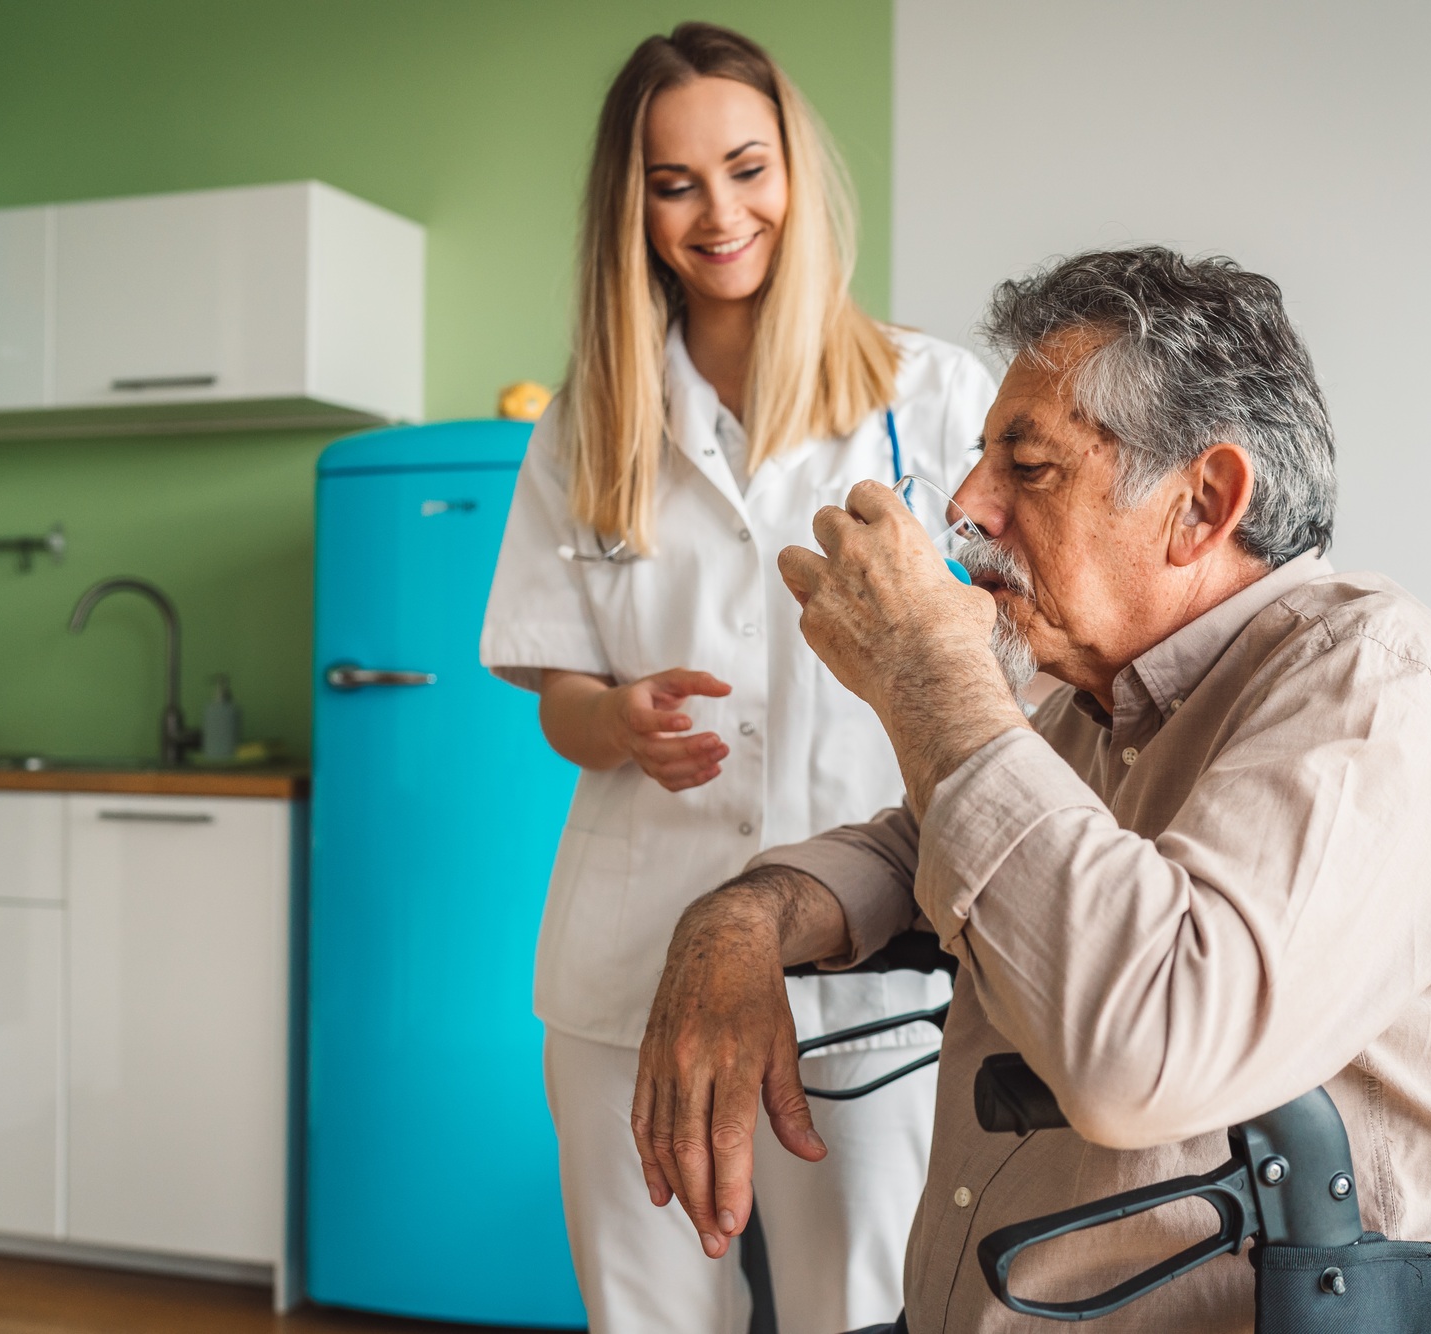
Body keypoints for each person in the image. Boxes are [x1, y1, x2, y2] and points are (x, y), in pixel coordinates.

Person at [633, 247, 1431, 1331]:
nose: (968, 506)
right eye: (980, 462)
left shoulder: (1374, 684)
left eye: (1027, 468)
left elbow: (1146, 1050)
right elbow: (913, 847)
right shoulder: (1098, 703)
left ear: (1201, 503)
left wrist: (932, 678)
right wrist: (736, 920)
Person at [478, 22, 997, 1334]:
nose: (719, 213)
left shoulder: (930, 396)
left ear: (796, 174)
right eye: (675, 183)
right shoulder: (588, 421)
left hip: (868, 965)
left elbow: (1025, 656)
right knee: (648, 1313)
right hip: (630, 957)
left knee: (865, 1312)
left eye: (746, 168)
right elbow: (556, 692)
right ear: (634, 206)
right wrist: (616, 717)